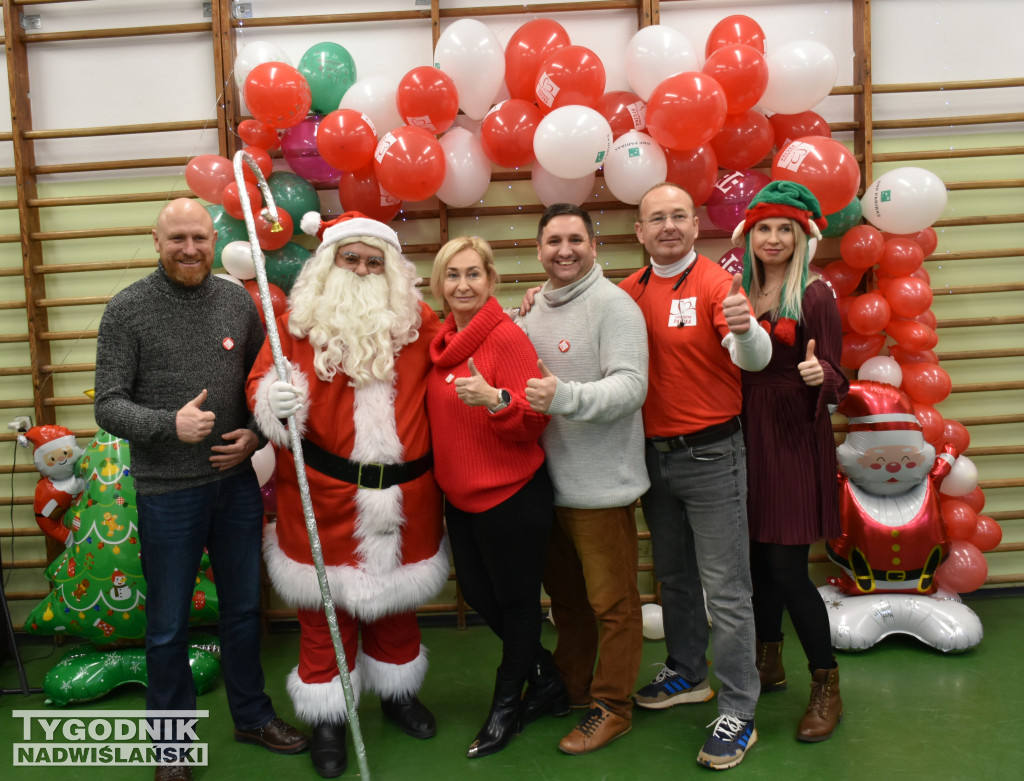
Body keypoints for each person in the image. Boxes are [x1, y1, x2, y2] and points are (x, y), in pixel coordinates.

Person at [93, 198, 308, 781]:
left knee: (243, 610)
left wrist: (258, 437)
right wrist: (170, 425)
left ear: (214, 242)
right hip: (168, 494)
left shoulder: (237, 300)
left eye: (199, 239)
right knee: (167, 627)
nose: (189, 250)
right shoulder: (127, 310)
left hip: (235, 485)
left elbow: (266, 379)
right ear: (156, 239)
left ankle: (252, 716)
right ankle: (172, 749)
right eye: (177, 239)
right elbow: (108, 404)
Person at [247, 211, 448, 779]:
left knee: (396, 608)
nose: (361, 270)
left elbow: (461, 346)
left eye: (373, 262)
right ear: (328, 265)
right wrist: (273, 402)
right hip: (323, 494)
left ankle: (397, 693)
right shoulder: (296, 324)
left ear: (391, 271)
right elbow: (259, 384)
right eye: (350, 259)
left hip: (407, 499)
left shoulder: (417, 321)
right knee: (324, 615)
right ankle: (330, 717)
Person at [618, 183, 771, 771]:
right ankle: (686, 672)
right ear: (640, 232)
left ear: (694, 224)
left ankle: (739, 708)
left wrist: (745, 329)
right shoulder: (628, 291)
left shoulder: (716, 283)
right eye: (656, 218)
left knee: (727, 592)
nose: (668, 226)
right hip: (652, 459)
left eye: (678, 215)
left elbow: (751, 359)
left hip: (712, 456)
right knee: (675, 579)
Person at [517, 203, 649, 756]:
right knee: (567, 604)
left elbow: (631, 387)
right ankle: (572, 690)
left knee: (613, 606)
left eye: (575, 239)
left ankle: (613, 706)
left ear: (594, 246)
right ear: (540, 249)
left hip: (600, 489)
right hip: (547, 487)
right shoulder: (533, 310)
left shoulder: (614, 307)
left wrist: (565, 397)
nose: (564, 250)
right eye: (553, 241)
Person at [425, 236, 557, 759]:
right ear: (439, 285)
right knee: (480, 596)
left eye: (473, 274)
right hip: (460, 501)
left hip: (512, 497)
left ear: (491, 280)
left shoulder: (506, 338)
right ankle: (545, 676)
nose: (463, 285)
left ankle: (507, 705)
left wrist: (497, 401)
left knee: (519, 605)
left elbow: (534, 420)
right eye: (452, 275)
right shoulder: (441, 343)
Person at [731, 181, 848, 742]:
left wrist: (820, 376)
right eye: (763, 229)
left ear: (803, 236)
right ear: (748, 235)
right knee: (756, 563)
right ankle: (768, 661)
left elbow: (840, 378)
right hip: (744, 432)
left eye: (785, 229)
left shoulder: (817, 295)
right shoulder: (738, 290)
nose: (773, 239)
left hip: (795, 437)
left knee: (786, 568)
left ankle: (826, 681)